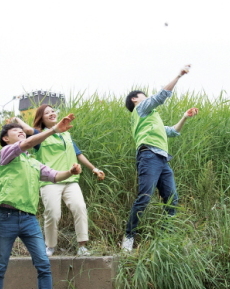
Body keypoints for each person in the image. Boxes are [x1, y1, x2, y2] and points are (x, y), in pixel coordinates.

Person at [0, 117, 81, 289]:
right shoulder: (6, 154)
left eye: (23, 131)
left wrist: (71, 172)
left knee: (43, 264)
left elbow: (54, 176)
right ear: (5, 138)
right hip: (7, 217)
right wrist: (54, 130)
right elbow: (27, 143)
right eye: (16, 131)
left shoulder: (31, 161)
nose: (21, 133)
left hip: (29, 219)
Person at [123, 64, 200, 251]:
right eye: (143, 95)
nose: (146, 97)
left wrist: (184, 117)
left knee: (172, 198)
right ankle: (128, 236)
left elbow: (172, 131)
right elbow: (160, 96)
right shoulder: (141, 109)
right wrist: (179, 76)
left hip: (162, 159)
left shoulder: (152, 118)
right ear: (135, 99)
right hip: (149, 155)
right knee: (145, 197)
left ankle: (166, 238)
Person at [31, 104, 104, 256]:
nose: (52, 113)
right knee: (53, 213)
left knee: (79, 207)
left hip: (71, 179)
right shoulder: (39, 135)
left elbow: (78, 154)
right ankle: (50, 246)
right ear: (41, 118)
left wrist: (94, 168)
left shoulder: (66, 135)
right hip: (50, 181)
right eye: (47, 113)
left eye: (53, 110)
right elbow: (28, 133)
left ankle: (82, 246)